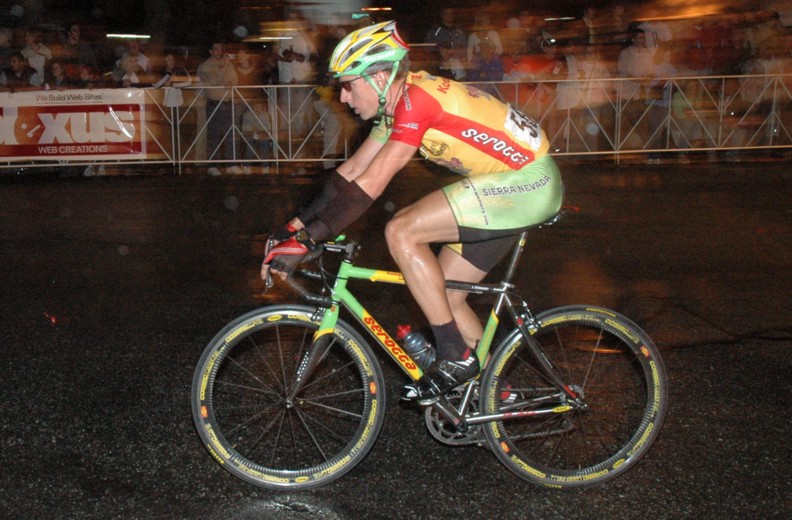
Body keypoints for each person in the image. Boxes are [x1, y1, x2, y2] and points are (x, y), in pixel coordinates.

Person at [260, 21, 563, 403]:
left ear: (380, 77)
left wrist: (307, 240)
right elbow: (352, 173)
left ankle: (454, 357)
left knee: (402, 229)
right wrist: (292, 228)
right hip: (507, 188)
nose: (344, 97)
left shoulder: (417, 101)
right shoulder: (397, 106)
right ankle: (493, 396)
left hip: (528, 183)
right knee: (443, 296)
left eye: (349, 85)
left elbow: (374, 183)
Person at [197, 41, 238, 175]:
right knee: (213, 135)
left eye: (221, 49)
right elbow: (214, 81)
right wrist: (224, 66)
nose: (219, 52)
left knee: (229, 135)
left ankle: (231, 164)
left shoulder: (228, 64)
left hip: (227, 103)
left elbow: (234, 78)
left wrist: (231, 81)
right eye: (216, 49)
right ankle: (213, 165)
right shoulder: (205, 66)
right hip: (214, 103)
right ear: (210, 51)